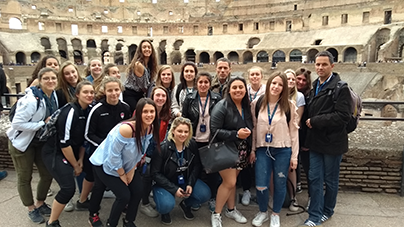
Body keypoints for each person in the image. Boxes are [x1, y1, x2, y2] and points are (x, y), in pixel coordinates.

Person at [89, 98, 160, 227]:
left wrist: (131, 170)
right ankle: (107, 222)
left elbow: (140, 151)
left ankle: (128, 221)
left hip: (126, 164)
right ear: (138, 113)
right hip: (104, 163)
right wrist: (122, 174)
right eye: (145, 111)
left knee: (138, 190)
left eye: (152, 111)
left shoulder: (149, 128)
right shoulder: (126, 130)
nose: (149, 115)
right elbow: (113, 156)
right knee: (123, 195)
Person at [300, 51, 351, 227]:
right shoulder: (315, 85)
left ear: (332, 66)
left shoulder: (341, 88)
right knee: (314, 178)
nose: (320, 67)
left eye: (324, 64)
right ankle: (314, 215)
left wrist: (316, 121)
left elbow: (343, 116)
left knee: (330, 180)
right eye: (318, 64)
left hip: (333, 143)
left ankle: (327, 211)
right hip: (315, 143)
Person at [7, 68, 59, 224]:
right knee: (25, 177)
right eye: (46, 78)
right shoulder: (31, 100)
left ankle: (40, 203)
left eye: (53, 78)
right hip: (22, 143)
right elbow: (17, 124)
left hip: (38, 142)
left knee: (47, 173)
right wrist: (42, 123)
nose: (50, 81)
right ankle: (31, 208)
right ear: (39, 80)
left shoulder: (52, 94)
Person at [41, 81, 94, 227]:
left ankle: (82, 201)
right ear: (77, 94)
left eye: (92, 92)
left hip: (74, 151)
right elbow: (64, 143)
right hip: (55, 152)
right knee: (68, 188)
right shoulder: (70, 111)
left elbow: (84, 139)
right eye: (85, 92)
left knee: (92, 170)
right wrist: (76, 165)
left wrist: (81, 160)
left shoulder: (88, 110)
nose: (89, 95)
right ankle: (52, 221)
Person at [250, 71, 299, 227]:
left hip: (283, 149)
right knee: (261, 183)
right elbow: (254, 128)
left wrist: (295, 156)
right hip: (263, 149)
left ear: (284, 88)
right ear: (269, 83)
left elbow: (294, 132)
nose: (276, 87)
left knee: (280, 182)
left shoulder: (289, 106)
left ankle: (276, 213)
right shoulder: (257, 103)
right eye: (274, 83)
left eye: (280, 84)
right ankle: (263, 211)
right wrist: (252, 150)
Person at [85, 76, 131, 225]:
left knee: (121, 181)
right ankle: (93, 214)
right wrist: (106, 147)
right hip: (100, 156)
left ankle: (123, 204)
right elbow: (88, 134)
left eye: (116, 89)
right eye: (110, 90)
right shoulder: (97, 110)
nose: (113, 93)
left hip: (118, 155)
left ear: (120, 90)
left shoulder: (125, 108)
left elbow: (129, 131)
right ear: (104, 91)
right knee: (99, 186)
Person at [210, 77, 253, 227]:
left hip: (241, 150)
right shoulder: (222, 106)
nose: (238, 90)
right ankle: (216, 214)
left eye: (241, 87)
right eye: (234, 87)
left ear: (245, 90)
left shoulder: (246, 106)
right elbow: (214, 131)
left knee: (232, 183)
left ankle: (231, 209)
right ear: (229, 90)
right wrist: (236, 134)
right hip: (225, 149)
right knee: (230, 182)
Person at [151, 117, 211, 225]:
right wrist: (174, 189)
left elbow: (197, 165)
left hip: (184, 180)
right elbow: (155, 173)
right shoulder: (162, 148)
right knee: (166, 204)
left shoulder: (191, 144)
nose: (183, 134)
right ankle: (165, 212)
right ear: (173, 130)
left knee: (205, 194)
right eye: (179, 131)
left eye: (186, 132)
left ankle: (186, 204)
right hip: (165, 183)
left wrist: (190, 184)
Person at [182, 72, 221, 212]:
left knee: (212, 172)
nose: (203, 85)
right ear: (196, 83)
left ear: (210, 84)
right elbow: (185, 119)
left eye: (206, 82)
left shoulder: (217, 98)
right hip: (194, 140)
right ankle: (195, 198)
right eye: (200, 82)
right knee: (195, 170)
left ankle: (212, 198)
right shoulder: (189, 99)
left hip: (211, 140)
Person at [138, 86, 171, 218]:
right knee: (144, 177)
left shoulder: (166, 113)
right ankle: (143, 203)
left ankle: (146, 198)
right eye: (157, 95)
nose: (160, 98)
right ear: (152, 96)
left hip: (157, 150)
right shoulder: (142, 110)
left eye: (163, 96)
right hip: (143, 150)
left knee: (151, 176)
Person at [240, 66, 266, 206]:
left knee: (260, 161)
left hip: (262, 130)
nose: (255, 77)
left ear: (261, 76)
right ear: (248, 77)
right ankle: (246, 190)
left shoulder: (267, 91)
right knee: (245, 162)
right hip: (247, 129)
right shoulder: (244, 91)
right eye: (252, 75)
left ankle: (260, 191)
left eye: (257, 74)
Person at [285, 69, 306, 211]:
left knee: (291, 168)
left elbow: (296, 122)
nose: (291, 81)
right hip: (276, 138)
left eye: (293, 79)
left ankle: (293, 198)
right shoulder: (276, 94)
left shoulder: (299, 97)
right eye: (288, 79)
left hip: (291, 136)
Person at [124, 39, 158, 113]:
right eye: (144, 47)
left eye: (149, 47)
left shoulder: (149, 66)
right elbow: (144, 86)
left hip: (139, 95)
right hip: (131, 94)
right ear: (140, 50)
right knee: (138, 114)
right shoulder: (138, 65)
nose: (147, 49)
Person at [295, 67, 312, 208]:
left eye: (303, 80)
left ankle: (312, 197)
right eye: (298, 79)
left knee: (309, 169)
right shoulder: (291, 95)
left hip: (305, 138)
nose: (300, 82)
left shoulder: (309, 96)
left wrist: (306, 142)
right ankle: (294, 189)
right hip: (294, 138)